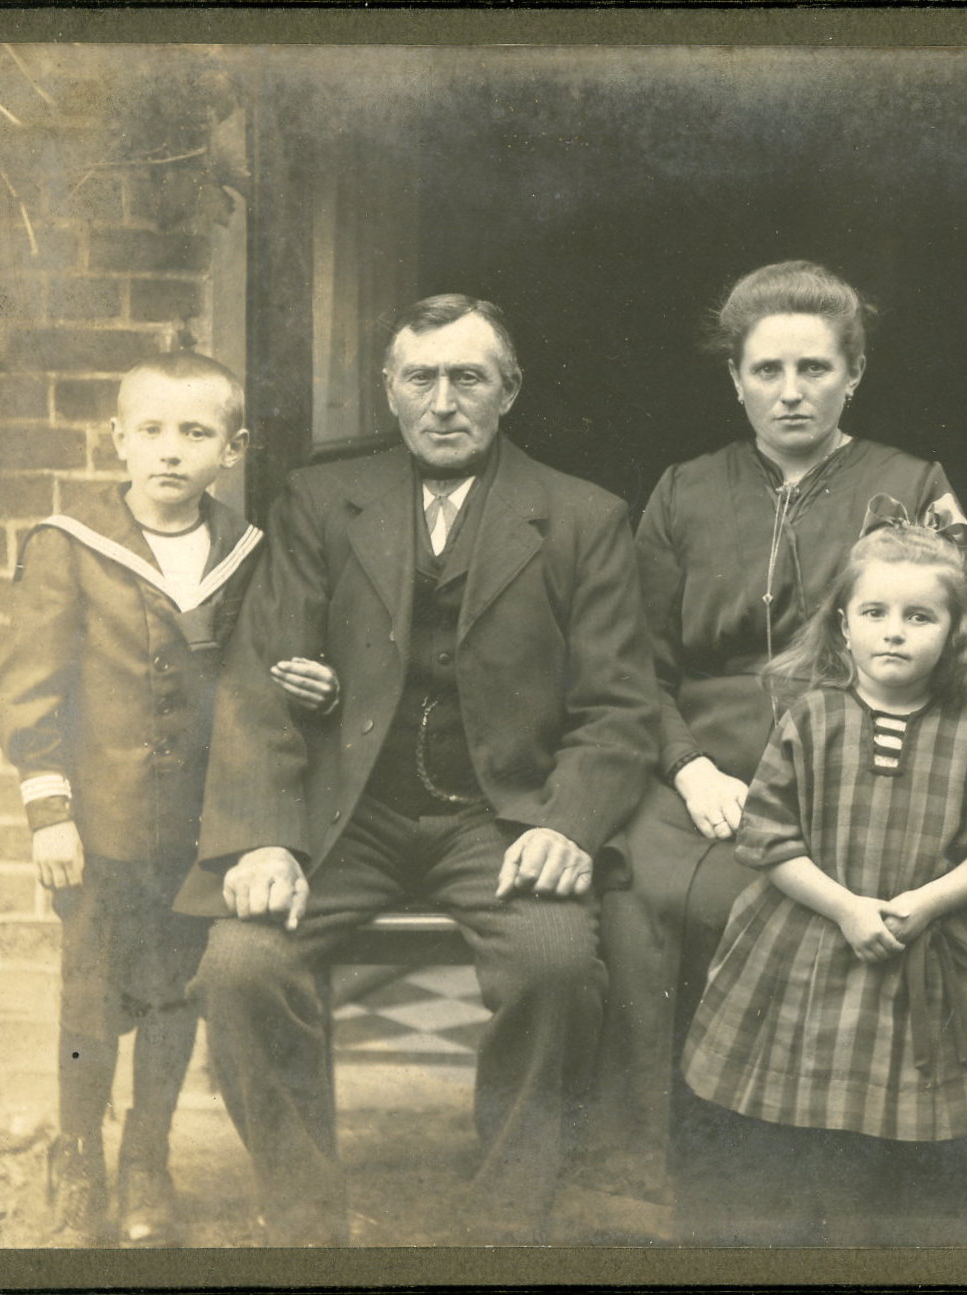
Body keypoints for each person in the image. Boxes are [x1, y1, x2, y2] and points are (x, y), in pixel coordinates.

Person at [180, 294, 659, 1245]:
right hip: (342, 816)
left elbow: (618, 705)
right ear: (389, 391)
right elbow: (258, 679)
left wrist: (566, 823)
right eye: (421, 378)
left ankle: (503, 1221)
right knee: (239, 965)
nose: (443, 402)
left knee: (557, 965)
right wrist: (264, 837)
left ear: (508, 391)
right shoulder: (321, 502)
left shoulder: (582, 517)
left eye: (468, 378)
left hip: (500, 818)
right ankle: (307, 1217)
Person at [587, 261, 967, 1203]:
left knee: (765, 900)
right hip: (701, 772)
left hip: (853, 773)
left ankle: (789, 1167)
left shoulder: (910, 484)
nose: (790, 391)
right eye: (766, 370)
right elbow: (634, 665)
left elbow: (955, 658)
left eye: (814, 368)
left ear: (854, 373)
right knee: (638, 888)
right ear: (735, 379)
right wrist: (686, 766)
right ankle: (646, 1168)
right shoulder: (683, 490)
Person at [0, 351, 320, 1245]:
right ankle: (77, 1156)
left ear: (232, 450)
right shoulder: (70, 544)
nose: (171, 449)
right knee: (90, 996)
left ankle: (147, 1157)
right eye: (151, 430)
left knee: (177, 993)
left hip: (197, 830)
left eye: (195, 432)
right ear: (119, 440)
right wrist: (49, 811)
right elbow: (28, 689)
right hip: (98, 827)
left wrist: (311, 683)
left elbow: (257, 681)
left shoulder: (246, 553)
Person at [678, 514, 967, 1244]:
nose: (894, 632)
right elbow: (767, 835)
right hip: (806, 939)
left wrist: (928, 902)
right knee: (796, 1106)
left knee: (912, 1113)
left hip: (926, 946)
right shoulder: (811, 719)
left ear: (956, 632)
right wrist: (845, 907)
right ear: (843, 626)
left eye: (920, 616)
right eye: (874, 612)